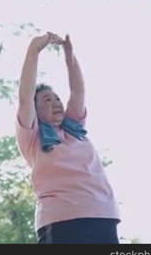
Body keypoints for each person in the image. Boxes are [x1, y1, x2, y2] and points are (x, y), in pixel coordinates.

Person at [16, 32, 120, 243]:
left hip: (102, 215)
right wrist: (34, 50)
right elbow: (25, 99)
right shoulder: (32, 138)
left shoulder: (75, 128)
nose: (56, 102)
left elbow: (78, 91)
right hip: (60, 221)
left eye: (57, 98)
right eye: (47, 100)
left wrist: (69, 56)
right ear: (36, 112)